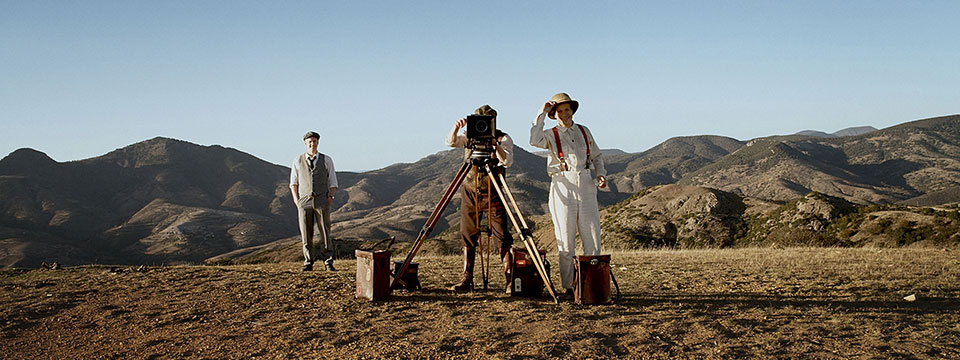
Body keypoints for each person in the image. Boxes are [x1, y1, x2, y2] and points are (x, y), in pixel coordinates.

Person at [529, 93, 607, 296]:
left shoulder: (584, 130)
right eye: (559, 111)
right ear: (554, 114)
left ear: (572, 110)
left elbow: (597, 156)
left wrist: (600, 174)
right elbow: (534, 139)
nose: (564, 114)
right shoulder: (550, 134)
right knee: (565, 236)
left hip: (587, 182)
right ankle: (569, 286)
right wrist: (542, 112)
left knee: (592, 234)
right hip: (562, 183)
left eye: (567, 110)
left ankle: (592, 282)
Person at [445, 105, 515, 292]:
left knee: (502, 235)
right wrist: (456, 128)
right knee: (468, 235)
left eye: (486, 120)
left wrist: (494, 144)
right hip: (470, 190)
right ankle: (467, 279)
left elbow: (506, 160)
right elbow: (451, 142)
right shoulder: (470, 136)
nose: (482, 124)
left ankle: (510, 279)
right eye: (479, 120)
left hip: (493, 192)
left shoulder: (502, 138)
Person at [290, 131, 339, 271]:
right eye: (309, 141)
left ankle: (328, 261)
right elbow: (293, 183)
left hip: (322, 199)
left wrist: (330, 198)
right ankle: (308, 261)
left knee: (325, 230)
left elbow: (333, 181)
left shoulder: (326, 159)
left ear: (318, 142)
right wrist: (297, 201)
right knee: (306, 232)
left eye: (315, 141)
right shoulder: (297, 160)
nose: (312, 144)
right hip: (304, 200)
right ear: (305, 143)